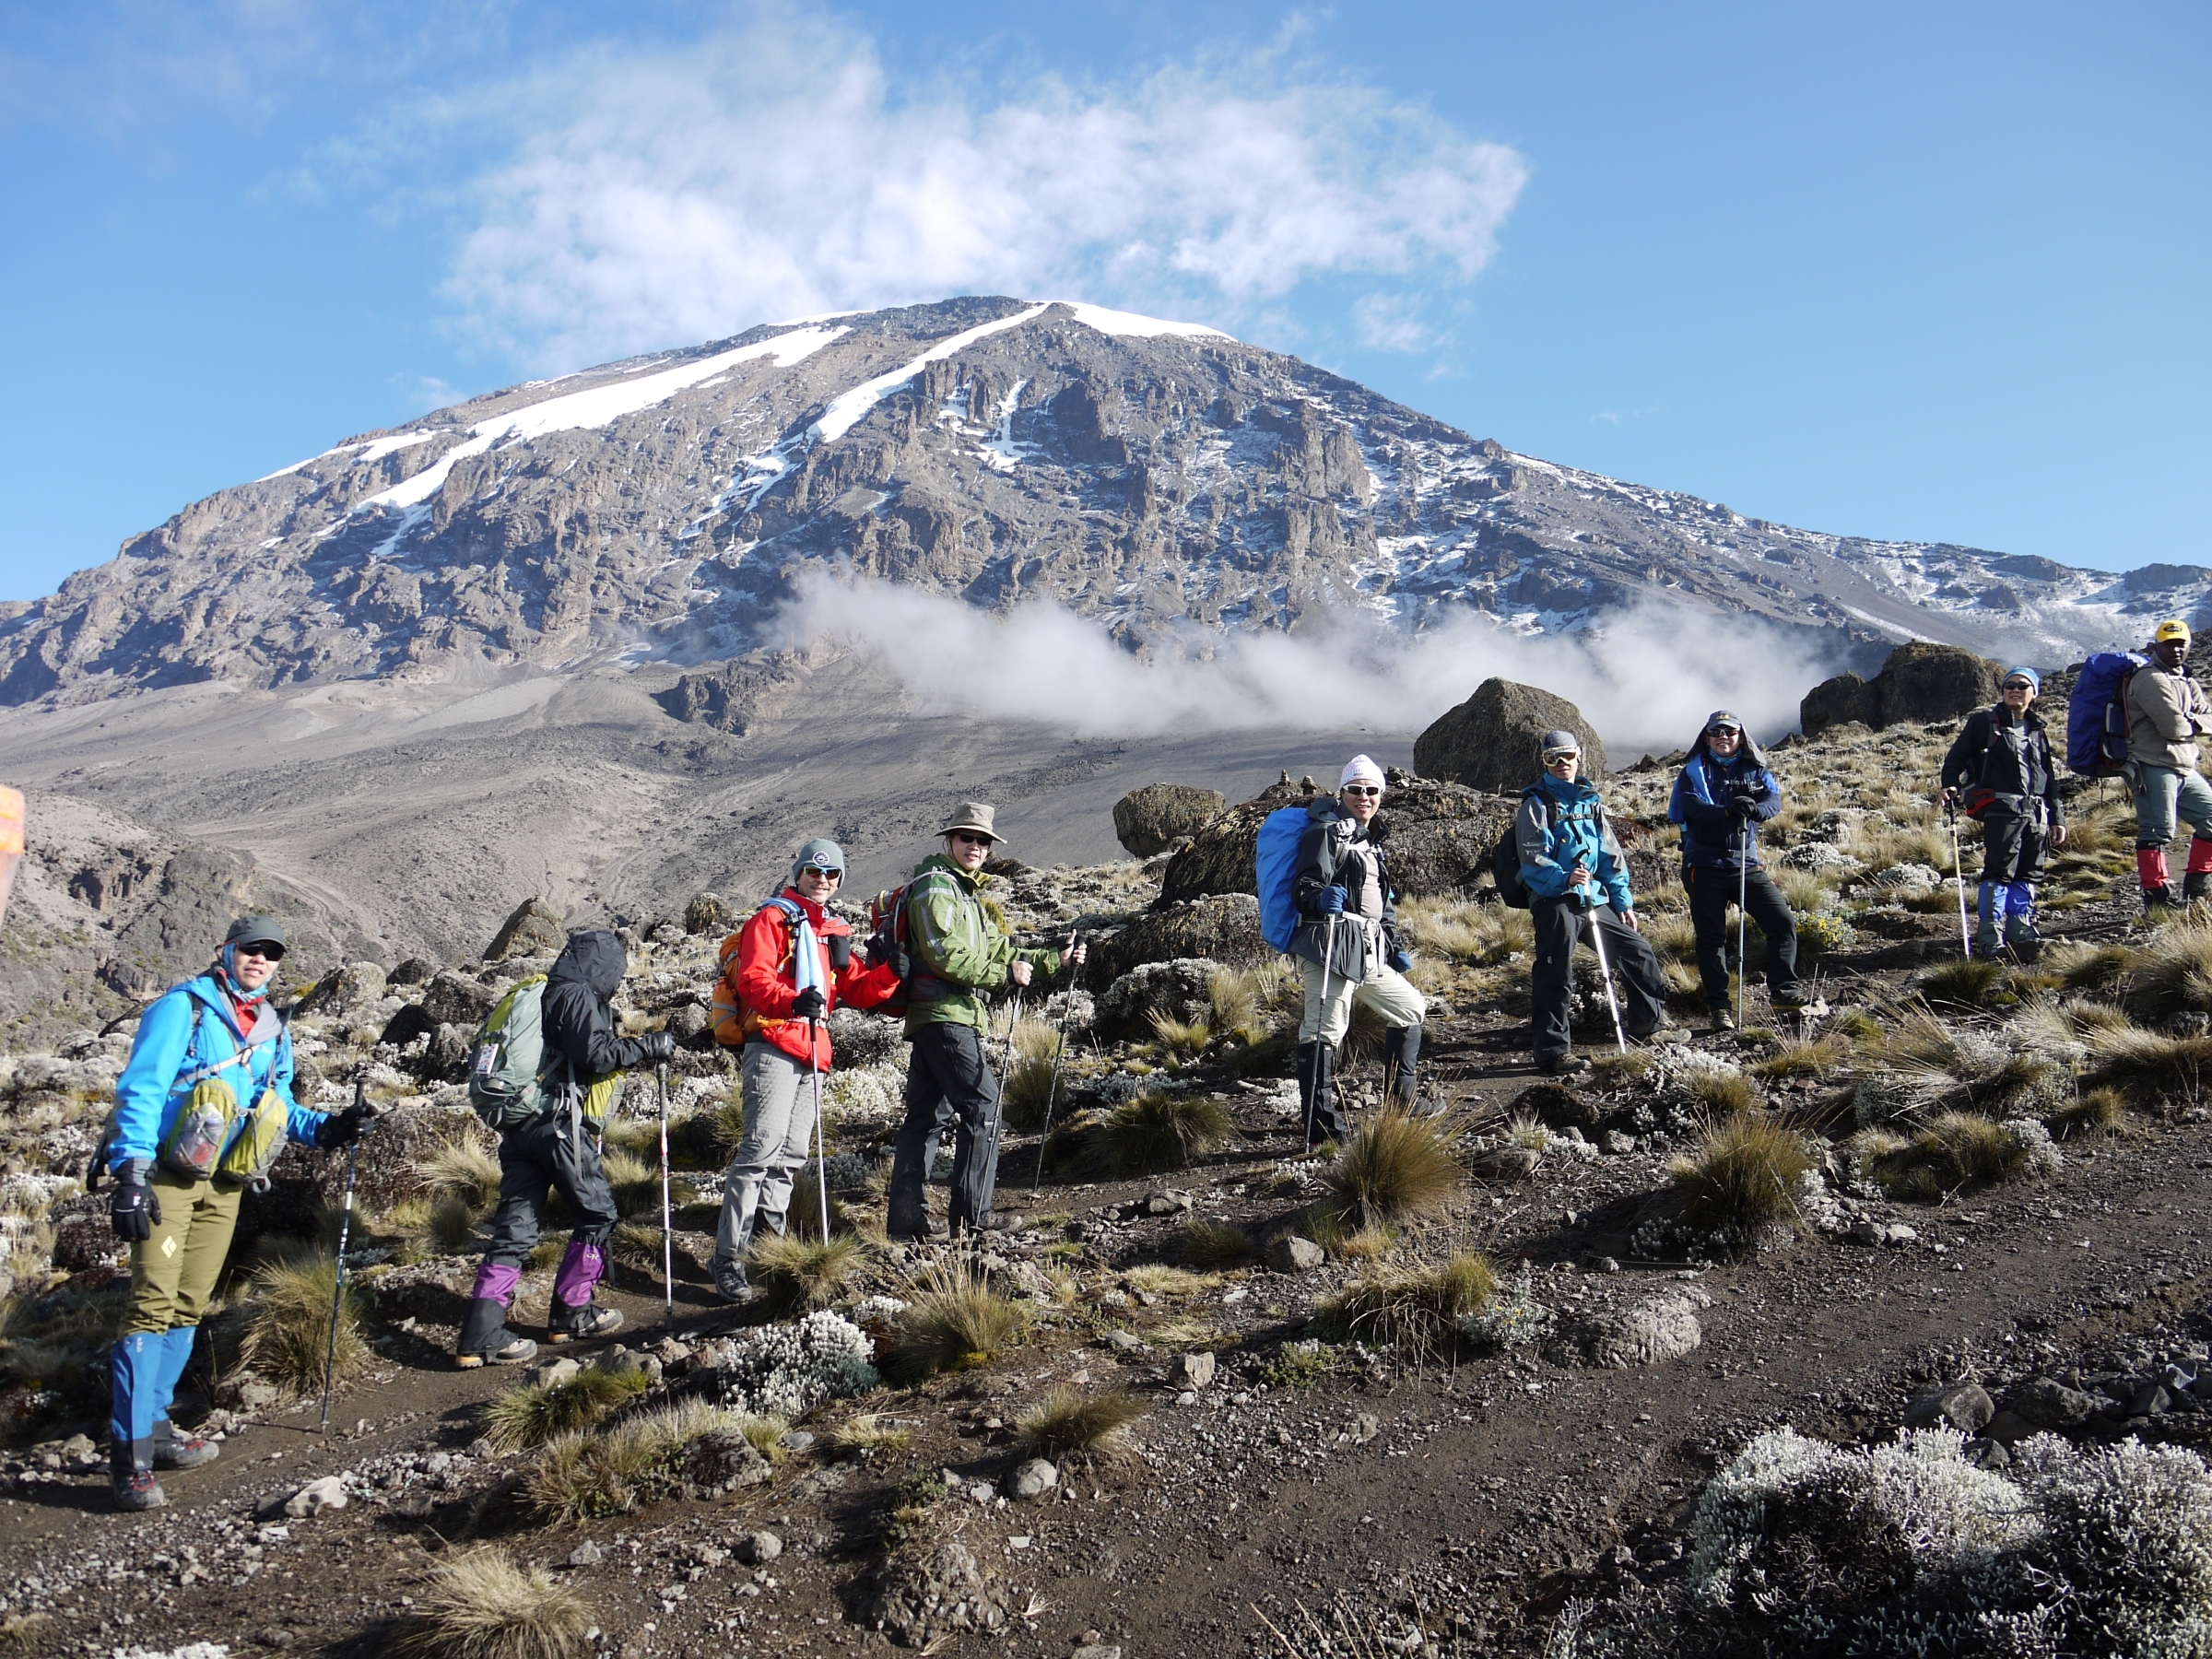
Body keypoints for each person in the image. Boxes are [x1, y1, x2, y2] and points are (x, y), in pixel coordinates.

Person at [102, 915, 372, 1512]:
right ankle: (129, 1456)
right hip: (167, 1179)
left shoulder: (275, 1028)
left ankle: (156, 1424)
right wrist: (130, 1172)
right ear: (225, 949)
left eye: (271, 953)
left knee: (188, 1303)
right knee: (150, 1305)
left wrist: (329, 1129)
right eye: (251, 949)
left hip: (223, 1185)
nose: (260, 960)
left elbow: (277, 1105)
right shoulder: (184, 1011)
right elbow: (142, 1089)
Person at [454, 928, 675, 1368]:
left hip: (518, 1126)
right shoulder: (574, 995)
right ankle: (572, 1314)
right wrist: (648, 1046)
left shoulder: (541, 991)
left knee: (516, 1227)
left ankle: (480, 1333)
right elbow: (596, 1053)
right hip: (556, 1124)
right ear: (605, 965)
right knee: (597, 1213)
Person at [708, 839, 900, 1302]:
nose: (823, 879)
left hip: (814, 1048)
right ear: (798, 873)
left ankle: (767, 1249)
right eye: (815, 871)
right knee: (759, 1149)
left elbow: (855, 986)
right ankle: (728, 1260)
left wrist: (894, 971)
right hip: (773, 1041)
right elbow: (754, 980)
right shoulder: (771, 919)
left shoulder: (832, 931)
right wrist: (792, 1000)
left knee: (791, 1154)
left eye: (832, 874)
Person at [884, 803, 1082, 1241]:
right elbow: (944, 954)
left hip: (946, 1015)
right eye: (967, 838)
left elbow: (1000, 952)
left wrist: (1055, 959)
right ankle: (972, 1218)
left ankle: (906, 1224)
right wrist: (1002, 975)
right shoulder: (936, 888)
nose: (975, 846)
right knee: (983, 1107)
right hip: (945, 1015)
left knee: (925, 1118)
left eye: (982, 841)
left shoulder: (966, 893)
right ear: (949, 840)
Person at [1516, 730, 1671, 1077]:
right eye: (1552, 758)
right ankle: (1553, 1052)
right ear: (1543, 761)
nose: (1561, 764)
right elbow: (1532, 858)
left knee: (1637, 951)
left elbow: (1610, 856)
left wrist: (1622, 901)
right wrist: (1564, 878)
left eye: (1567, 756)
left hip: (1592, 897)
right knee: (1556, 968)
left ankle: (1650, 1025)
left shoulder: (1590, 801)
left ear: (1579, 756)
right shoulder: (1536, 804)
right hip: (1554, 898)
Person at [1289, 756, 1429, 1139]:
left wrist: (1394, 945)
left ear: (1381, 794)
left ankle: (1404, 1100)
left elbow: (1382, 902)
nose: (1363, 796)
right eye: (1355, 789)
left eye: (1371, 790)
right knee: (1323, 1030)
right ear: (1343, 792)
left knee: (1411, 1008)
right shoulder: (1326, 832)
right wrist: (1319, 899)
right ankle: (1321, 1126)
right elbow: (1303, 888)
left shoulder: (1370, 838)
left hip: (1368, 948)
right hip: (1329, 946)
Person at [1667, 712, 1805, 1030]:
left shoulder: (1755, 768)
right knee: (1711, 938)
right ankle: (1719, 1007)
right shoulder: (1693, 771)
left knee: (1781, 921)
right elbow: (1690, 806)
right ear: (1707, 737)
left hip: (1744, 862)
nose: (1723, 737)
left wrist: (1756, 809)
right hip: (1703, 866)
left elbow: (1773, 800)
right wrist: (1726, 811)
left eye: (1730, 732)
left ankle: (1784, 992)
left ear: (1741, 736)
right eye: (1716, 732)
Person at [1942, 666, 2069, 954]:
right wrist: (1949, 785)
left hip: (2036, 814)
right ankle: (1990, 935)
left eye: (2023, 686)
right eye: (2009, 685)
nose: (2015, 690)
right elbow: (1956, 757)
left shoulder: (2038, 731)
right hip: (2003, 810)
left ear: (2034, 693)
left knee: (2030, 871)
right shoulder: (1984, 723)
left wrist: (2057, 816)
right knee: (2000, 870)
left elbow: (2049, 778)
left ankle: (2020, 929)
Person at [2126, 619, 2212, 911]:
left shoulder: (2186, 679)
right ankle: (2156, 898)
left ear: (2189, 645)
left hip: (2185, 765)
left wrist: (2190, 720)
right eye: (2169, 643)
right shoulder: (2149, 679)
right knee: (2158, 830)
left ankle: (2196, 889)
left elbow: (2208, 719)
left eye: (2181, 643)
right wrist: (2192, 720)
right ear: (2156, 646)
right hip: (2153, 764)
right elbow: (2173, 727)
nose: (2175, 649)